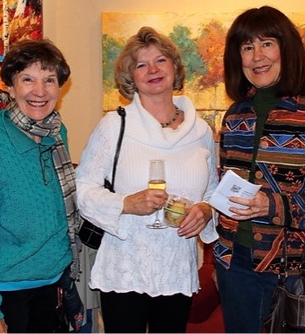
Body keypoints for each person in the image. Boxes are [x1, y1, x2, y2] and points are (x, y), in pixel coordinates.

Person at [215, 6, 305, 333]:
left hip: (295, 271)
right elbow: (226, 189)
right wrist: (220, 258)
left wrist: (272, 205)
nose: (257, 56)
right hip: (235, 265)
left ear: (287, 48)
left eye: (267, 44)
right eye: (247, 47)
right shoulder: (235, 116)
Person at [76, 26, 219, 333]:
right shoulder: (114, 126)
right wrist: (126, 204)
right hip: (124, 268)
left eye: (161, 60)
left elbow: (212, 192)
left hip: (176, 267)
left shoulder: (201, 132)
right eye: (142, 64)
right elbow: (83, 189)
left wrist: (206, 211)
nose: (153, 70)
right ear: (131, 76)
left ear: (174, 67)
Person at [0, 39, 83, 333]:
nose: (39, 91)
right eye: (27, 79)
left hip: (53, 289)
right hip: (4, 296)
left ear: (60, 87)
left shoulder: (57, 134)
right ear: (10, 87)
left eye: (49, 80)